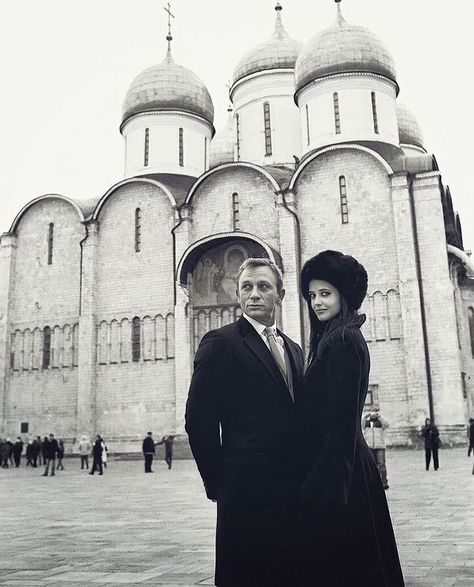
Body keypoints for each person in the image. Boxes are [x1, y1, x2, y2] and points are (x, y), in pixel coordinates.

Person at [186, 257, 304, 587]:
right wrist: (219, 483)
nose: (254, 294)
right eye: (246, 287)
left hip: (291, 490)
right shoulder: (221, 343)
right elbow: (198, 420)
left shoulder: (293, 349)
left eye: (263, 286)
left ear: (279, 294)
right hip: (244, 493)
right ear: (238, 295)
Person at [297, 250, 404, 586]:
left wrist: (321, 488)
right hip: (349, 468)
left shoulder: (342, 341)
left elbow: (340, 425)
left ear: (343, 295)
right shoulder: (336, 336)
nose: (316, 302)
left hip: (341, 475)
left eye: (325, 294)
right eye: (312, 295)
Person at [363, 410, 390, 489]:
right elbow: (361, 423)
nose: (373, 414)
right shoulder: (366, 423)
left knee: (381, 464)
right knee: (372, 465)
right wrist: (367, 415)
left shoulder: (380, 423)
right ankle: (373, 481)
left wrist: (380, 416)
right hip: (369, 446)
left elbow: (387, 424)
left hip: (380, 446)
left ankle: (384, 481)